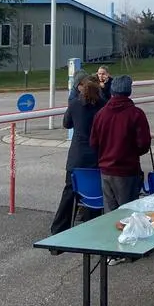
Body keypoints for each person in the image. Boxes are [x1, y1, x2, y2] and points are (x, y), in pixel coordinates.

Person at [51, 77, 105, 237]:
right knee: (95, 191)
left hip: (77, 156)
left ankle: (59, 228)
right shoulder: (103, 106)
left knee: (69, 192)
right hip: (97, 155)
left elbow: (66, 123)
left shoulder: (75, 104)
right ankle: (91, 227)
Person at [89, 75, 151, 212]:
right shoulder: (136, 114)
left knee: (109, 215)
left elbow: (93, 142)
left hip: (105, 170)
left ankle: (109, 234)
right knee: (128, 214)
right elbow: (144, 144)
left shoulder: (101, 114)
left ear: (112, 91)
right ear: (129, 91)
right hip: (127, 170)